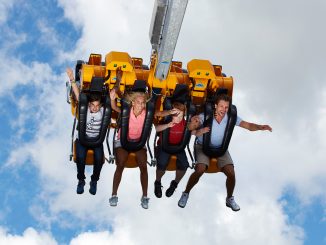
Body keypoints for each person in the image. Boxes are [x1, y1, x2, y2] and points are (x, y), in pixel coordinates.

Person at [178, 94, 272, 210]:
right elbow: (190, 127)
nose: (224, 109)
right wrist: (194, 122)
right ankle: (186, 193)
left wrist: (260, 127)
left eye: (226, 107)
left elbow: (248, 125)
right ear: (216, 106)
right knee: (200, 169)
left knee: (231, 173)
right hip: (202, 146)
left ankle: (229, 199)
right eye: (221, 106)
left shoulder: (231, 117)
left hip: (221, 149)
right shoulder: (205, 116)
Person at [109, 84, 150, 209]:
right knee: (120, 165)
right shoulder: (126, 111)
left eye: (143, 103)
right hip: (123, 142)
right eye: (139, 102)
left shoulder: (146, 113)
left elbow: (158, 112)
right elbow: (114, 107)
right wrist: (112, 98)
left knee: (144, 167)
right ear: (133, 103)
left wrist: (169, 112)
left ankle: (144, 196)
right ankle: (114, 194)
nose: (141, 105)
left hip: (138, 142)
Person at [66, 67, 105, 195]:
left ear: (100, 106)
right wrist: (72, 79)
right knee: (81, 158)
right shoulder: (85, 109)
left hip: (96, 141)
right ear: (89, 105)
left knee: (99, 159)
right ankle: (81, 180)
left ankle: (94, 181)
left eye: (97, 105)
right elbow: (78, 95)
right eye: (92, 105)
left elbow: (113, 100)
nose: (94, 108)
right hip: (82, 139)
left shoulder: (103, 111)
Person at [153, 102, 189, 198]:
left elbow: (194, 131)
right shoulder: (167, 120)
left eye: (179, 114)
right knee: (161, 163)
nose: (177, 116)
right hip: (164, 146)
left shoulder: (185, 124)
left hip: (178, 148)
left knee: (185, 165)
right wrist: (167, 126)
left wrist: (199, 131)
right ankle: (157, 182)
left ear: (184, 114)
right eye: (175, 113)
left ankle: (174, 184)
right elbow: (157, 128)